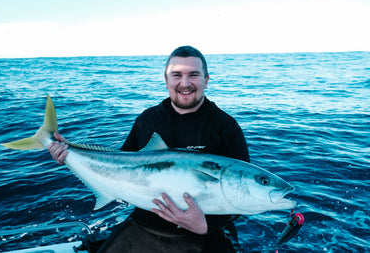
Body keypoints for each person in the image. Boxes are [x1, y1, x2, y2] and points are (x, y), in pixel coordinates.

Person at [48, 46, 250, 252]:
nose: (185, 83)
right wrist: (69, 155)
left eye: (194, 75)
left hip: (207, 233)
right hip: (146, 225)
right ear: (166, 80)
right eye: (177, 75)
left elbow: (243, 194)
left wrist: (205, 225)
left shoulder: (226, 127)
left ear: (206, 80)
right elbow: (120, 163)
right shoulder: (148, 119)